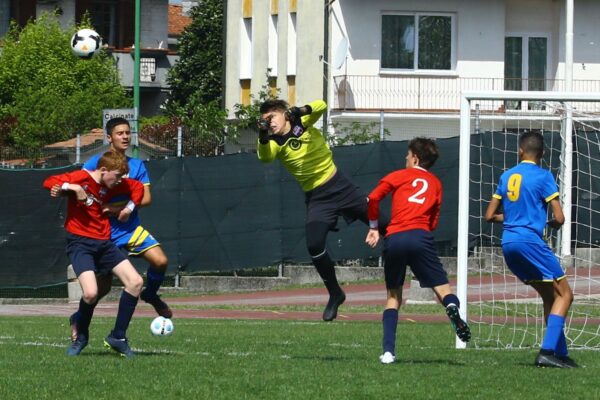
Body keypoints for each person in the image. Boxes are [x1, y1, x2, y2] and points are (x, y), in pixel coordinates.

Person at [257, 99, 386, 321]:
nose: (270, 123)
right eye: (265, 120)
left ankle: (419, 264)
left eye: (272, 118)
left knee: (387, 225)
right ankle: (335, 293)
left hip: (340, 186)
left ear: (284, 114)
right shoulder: (274, 142)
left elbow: (322, 105)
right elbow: (265, 157)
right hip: (318, 199)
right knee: (314, 245)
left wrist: (300, 110)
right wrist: (261, 134)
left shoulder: (302, 121)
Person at [365, 137, 471, 364]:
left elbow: (373, 197)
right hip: (421, 236)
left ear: (415, 157)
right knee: (443, 290)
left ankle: (388, 353)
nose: (405, 157)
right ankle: (452, 307)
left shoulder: (399, 175)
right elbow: (434, 219)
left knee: (394, 297)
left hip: (395, 237)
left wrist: (374, 227)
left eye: (407, 154)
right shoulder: (435, 183)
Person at [69, 117, 171, 341]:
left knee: (161, 261)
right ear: (109, 138)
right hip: (105, 235)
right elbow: (84, 194)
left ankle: (151, 295)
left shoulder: (137, 165)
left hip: (131, 229)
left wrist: (116, 208)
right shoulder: (94, 164)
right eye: (120, 133)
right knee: (100, 289)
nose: (125, 137)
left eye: (128, 133)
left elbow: (146, 198)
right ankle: (78, 318)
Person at [484, 130, 576, 368]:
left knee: (550, 295)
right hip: (530, 242)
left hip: (508, 244)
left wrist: (513, 217)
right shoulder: (544, 176)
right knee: (566, 294)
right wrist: (549, 223)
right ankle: (546, 352)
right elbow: (559, 217)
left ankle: (560, 353)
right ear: (542, 154)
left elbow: (489, 215)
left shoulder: (507, 176)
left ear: (520, 151)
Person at [43, 151, 145, 357]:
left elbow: (138, 187)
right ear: (104, 170)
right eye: (116, 177)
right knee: (90, 293)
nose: (118, 182)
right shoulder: (82, 177)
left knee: (135, 282)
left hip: (104, 243)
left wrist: (128, 208)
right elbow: (49, 181)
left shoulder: (113, 183)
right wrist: (72, 187)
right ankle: (81, 336)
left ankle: (118, 336)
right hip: (80, 243)